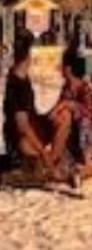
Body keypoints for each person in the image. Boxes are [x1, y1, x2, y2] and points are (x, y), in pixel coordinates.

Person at [2, 32, 77, 183]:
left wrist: (57, 110)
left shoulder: (23, 76)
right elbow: (23, 127)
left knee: (64, 116)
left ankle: (50, 164)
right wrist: (43, 153)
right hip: (20, 138)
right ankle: (47, 166)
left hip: (35, 125)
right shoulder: (17, 84)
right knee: (27, 147)